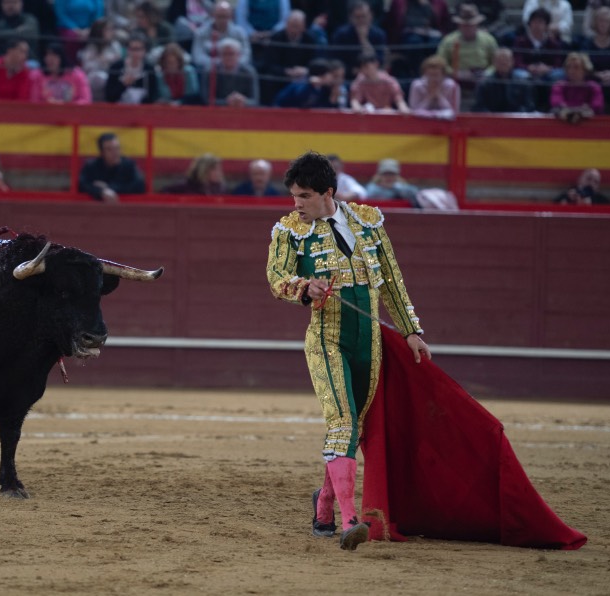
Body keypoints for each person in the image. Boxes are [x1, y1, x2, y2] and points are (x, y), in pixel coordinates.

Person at [266, 151, 429, 550]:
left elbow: (391, 280)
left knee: (352, 428)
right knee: (342, 422)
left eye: (304, 196)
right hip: (327, 337)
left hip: (368, 341)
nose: (297, 204)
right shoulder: (289, 231)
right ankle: (349, 520)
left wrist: (411, 330)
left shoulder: (368, 222)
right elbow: (276, 277)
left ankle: (323, 504)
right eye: (294, 196)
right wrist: (304, 287)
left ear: (328, 193)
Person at [256, 9, 323, 105]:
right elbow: (269, 64)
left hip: (303, 79)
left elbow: (316, 62)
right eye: (291, 25)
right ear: (286, 24)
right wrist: (287, 72)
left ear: (303, 27)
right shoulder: (277, 38)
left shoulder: (310, 39)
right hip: (281, 78)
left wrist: (305, 70)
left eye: (297, 26)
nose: (293, 30)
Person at [436, 3, 498, 86]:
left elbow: (496, 62)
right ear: (459, 25)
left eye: (471, 25)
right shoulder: (448, 41)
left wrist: (486, 73)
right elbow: (440, 62)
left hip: (483, 78)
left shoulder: (489, 40)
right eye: (464, 25)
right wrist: (455, 73)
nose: (468, 28)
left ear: (477, 24)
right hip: (456, 78)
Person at [78, 132, 146, 202]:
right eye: (109, 149)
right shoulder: (91, 166)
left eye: (117, 148)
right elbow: (81, 184)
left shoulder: (129, 165)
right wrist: (100, 192)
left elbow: (140, 186)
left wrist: (108, 188)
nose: (115, 152)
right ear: (102, 153)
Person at [191, 0, 253, 71]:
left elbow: (246, 55)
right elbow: (197, 56)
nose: (222, 20)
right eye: (219, 16)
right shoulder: (201, 32)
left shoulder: (239, 33)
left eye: (225, 17)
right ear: (213, 15)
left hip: (236, 70)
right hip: (210, 71)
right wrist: (219, 63)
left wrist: (232, 63)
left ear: (231, 17)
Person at [331, 1, 387, 76]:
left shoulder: (379, 34)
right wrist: (354, 70)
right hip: (348, 76)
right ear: (351, 18)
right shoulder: (341, 34)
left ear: (371, 16)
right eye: (357, 17)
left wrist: (363, 39)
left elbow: (379, 60)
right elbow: (337, 60)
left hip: (373, 76)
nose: (361, 20)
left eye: (364, 16)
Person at [472, 47, 536, 112]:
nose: (503, 63)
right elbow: (479, 107)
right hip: (492, 119)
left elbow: (529, 106)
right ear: (494, 62)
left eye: (506, 60)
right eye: (500, 60)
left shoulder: (523, 83)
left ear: (512, 61)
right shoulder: (484, 84)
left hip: (516, 119)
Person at [105, 33, 159, 104]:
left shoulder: (149, 69)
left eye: (139, 49)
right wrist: (123, 84)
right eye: (132, 49)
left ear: (145, 50)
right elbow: (109, 97)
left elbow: (152, 96)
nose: (135, 53)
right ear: (128, 50)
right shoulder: (116, 67)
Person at [78, 18, 124, 101]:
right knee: (99, 77)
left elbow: (119, 65)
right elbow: (87, 67)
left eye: (112, 29)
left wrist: (105, 60)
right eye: (108, 29)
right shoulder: (91, 47)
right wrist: (102, 61)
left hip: (112, 77)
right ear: (99, 31)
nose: (111, 32)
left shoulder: (115, 46)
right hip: (93, 78)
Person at [274, 58, 349, 108]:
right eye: (329, 74)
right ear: (321, 75)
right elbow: (301, 99)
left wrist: (333, 96)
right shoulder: (302, 83)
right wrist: (310, 85)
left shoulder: (324, 88)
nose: (332, 78)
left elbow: (325, 107)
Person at [550, 52, 604, 122]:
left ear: (585, 70)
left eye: (576, 67)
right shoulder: (559, 85)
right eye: (569, 67)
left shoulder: (593, 86)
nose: (571, 71)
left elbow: (597, 105)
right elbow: (556, 102)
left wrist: (581, 112)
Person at [208, 37, 259, 106]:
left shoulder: (249, 72)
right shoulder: (211, 71)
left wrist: (243, 101)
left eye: (231, 54)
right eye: (224, 54)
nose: (228, 57)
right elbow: (207, 100)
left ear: (239, 55)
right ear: (219, 55)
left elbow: (255, 101)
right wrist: (226, 102)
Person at [408, 54, 460, 118]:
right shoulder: (417, 85)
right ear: (424, 73)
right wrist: (430, 97)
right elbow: (414, 110)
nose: (433, 78)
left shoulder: (452, 86)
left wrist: (439, 95)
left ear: (443, 73)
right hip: (421, 121)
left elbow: (454, 111)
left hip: (446, 122)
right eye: (430, 75)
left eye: (436, 74)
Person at [54, 0, 104, 64]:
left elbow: (98, 14)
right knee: (72, 37)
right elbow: (60, 13)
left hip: (90, 28)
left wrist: (90, 29)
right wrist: (76, 29)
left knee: (99, 34)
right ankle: (71, 66)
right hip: (68, 27)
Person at [163, 153, 227, 195]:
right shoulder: (185, 187)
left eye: (219, 169)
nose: (219, 173)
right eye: (214, 169)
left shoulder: (220, 190)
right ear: (203, 170)